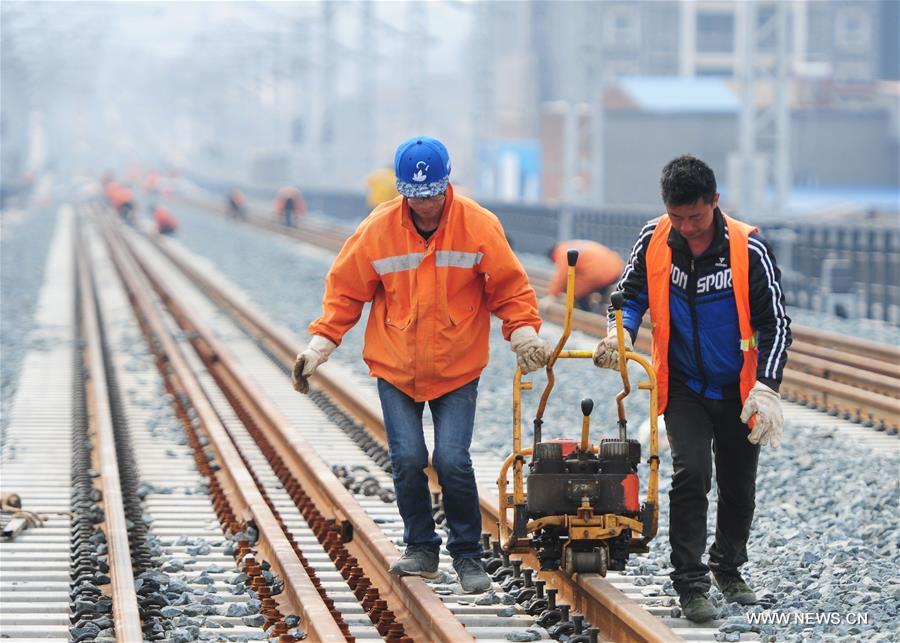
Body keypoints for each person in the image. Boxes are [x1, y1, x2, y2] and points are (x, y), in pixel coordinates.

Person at [292, 136, 550, 593]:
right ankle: (421, 548)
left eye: (432, 193)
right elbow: (346, 291)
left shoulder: (478, 225)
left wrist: (523, 330)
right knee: (408, 458)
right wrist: (320, 346)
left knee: (452, 461)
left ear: (446, 184)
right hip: (395, 364)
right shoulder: (378, 229)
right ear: (400, 191)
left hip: (457, 365)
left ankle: (468, 556)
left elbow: (508, 287)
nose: (425, 205)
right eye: (414, 196)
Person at [592, 155, 791, 623]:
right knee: (692, 475)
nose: (688, 228)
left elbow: (775, 322)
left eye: (696, 218)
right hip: (683, 384)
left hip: (740, 389)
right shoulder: (655, 237)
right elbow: (630, 295)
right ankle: (690, 583)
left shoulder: (748, 249)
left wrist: (768, 385)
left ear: (715, 203)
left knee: (739, 488)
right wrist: (620, 333)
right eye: (677, 218)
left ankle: (729, 568)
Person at [546, 240, 624, 312]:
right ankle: (600, 307)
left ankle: (587, 311)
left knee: (574, 290)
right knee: (584, 283)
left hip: (599, 273)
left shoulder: (562, 253)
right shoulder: (571, 245)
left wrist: (552, 295)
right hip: (615, 269)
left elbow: (562, 275)